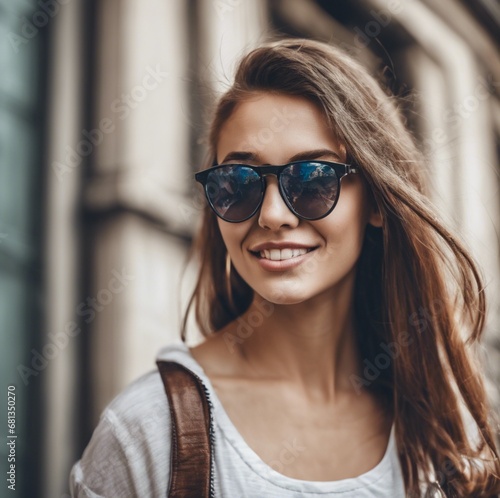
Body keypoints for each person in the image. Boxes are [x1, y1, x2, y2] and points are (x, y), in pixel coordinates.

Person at [69, 38, 500, 497]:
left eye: (313, 178)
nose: (273, 215)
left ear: (376, 200)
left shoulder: (449, 434)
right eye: (238, 182)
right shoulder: (146, 433)